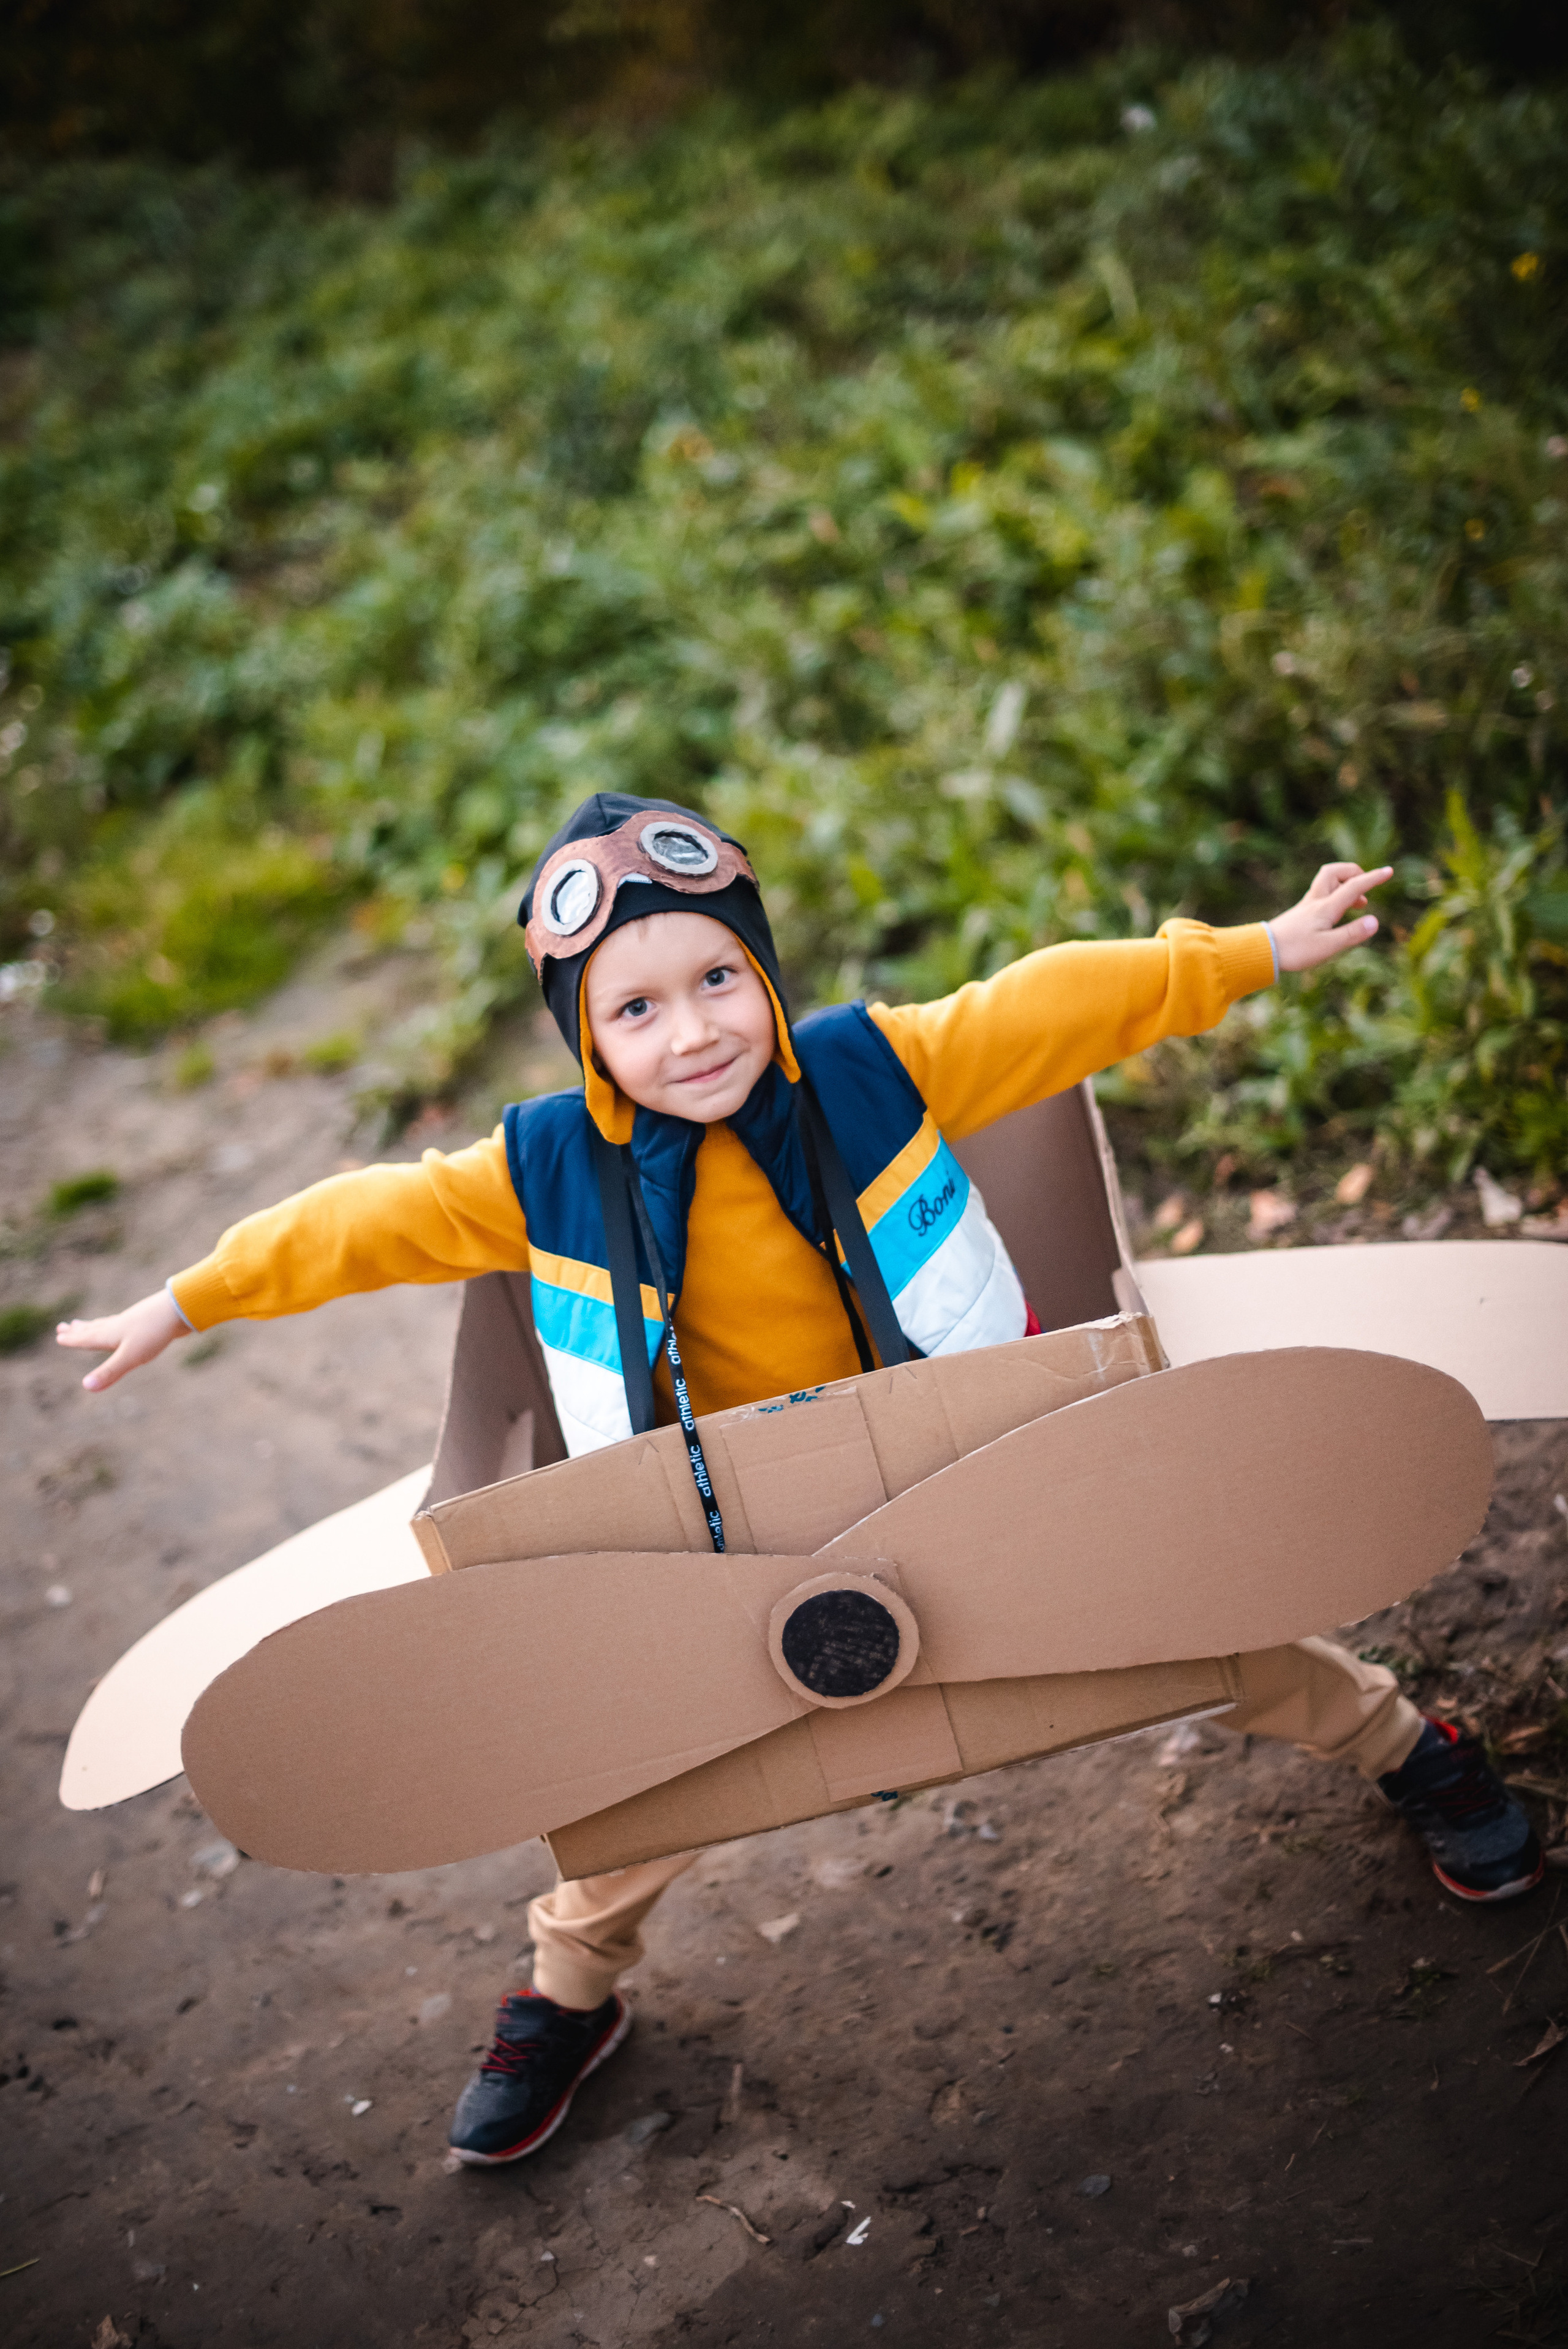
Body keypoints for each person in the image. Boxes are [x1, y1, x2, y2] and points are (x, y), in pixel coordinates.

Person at [58, 792, 1542, 2169]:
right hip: (723, 1536)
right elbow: (353, 1224)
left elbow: (1054, 1002)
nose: (690, 1032)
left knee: (1168, 1616)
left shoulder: (869, 1067)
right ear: (585, 1038)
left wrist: (1250, 953)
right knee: (652, 1760)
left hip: (964, 1461)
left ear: (761, 972)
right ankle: (571, 1987)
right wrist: (183, 1302)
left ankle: (1405, 1743)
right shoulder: (541, 1171)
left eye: (716, 981)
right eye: (633, 1010)